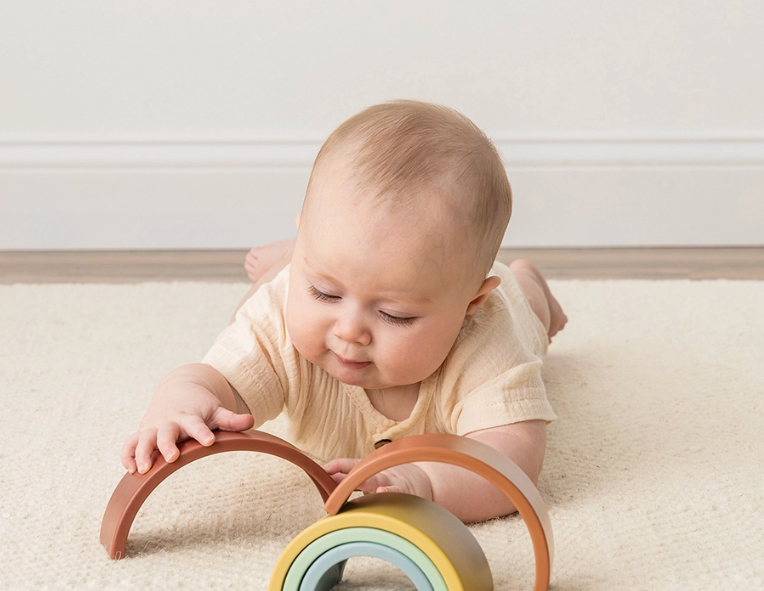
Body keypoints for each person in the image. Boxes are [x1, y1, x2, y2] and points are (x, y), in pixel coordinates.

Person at [121, 100, 567, 523]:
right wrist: (178, 403)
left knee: (531, 317)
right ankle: (293, 259)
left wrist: (428, 481)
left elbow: (511, 459)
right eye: (325, 294)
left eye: (394, 315)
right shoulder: (279, 320)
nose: (350, 331)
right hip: (301, 275)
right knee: (253, 308)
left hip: (511, 303)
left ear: (470, 305)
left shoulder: (487, 338)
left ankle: (531, 284)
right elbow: (209, 379)